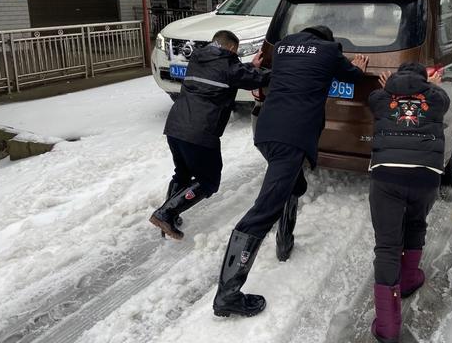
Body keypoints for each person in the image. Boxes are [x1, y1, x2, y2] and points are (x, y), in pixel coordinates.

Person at [212, 25, 369, 318]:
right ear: (327, 39)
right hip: (292, 137)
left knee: (293, 185)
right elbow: (352, 75)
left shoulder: (283, 48)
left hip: (267, 131)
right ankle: (227, 295)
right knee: (263, 210)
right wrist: (358, 68)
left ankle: (285, 244)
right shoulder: (329, 51)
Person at [149, 30, 270, 240]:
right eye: (236, 51)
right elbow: (253, 79)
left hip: (175, 126)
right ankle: (166, 213)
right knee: (208, 181)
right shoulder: (229, 65)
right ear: (232, 48)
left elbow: (232, 74)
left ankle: (168, 216)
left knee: (182, 173)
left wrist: (250, 67)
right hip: (200, 132)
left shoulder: (197, 58)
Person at [367, 63, 450, 343]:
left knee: (388, 245)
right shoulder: (436, 99)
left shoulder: (380, 98)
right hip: (426, 176)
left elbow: (377, 99)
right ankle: (410, 278)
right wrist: (432, 85)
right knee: (416, 223)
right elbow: (439, 99)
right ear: (425, 78)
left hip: (386, 175)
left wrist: (389, 86)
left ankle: (388, 328)